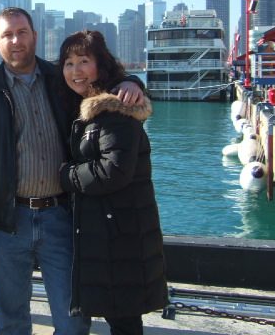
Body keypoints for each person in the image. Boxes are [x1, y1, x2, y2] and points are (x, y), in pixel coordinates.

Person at [0, 8, 145, 335]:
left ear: (35, 36)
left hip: (62, 216)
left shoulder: (63, 80)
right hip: (6, 222)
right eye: (8, 35)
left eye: (22, 32)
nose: (16, 40)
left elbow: (104, 86)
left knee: (73, 322)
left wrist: (131, 82)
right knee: (11, 321)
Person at [57, 30, 168, 335]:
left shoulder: (114, 109)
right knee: (119, 315)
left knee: (123, 320)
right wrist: (133, 81)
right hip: (109, 230)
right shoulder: (86, 105)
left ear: (101, 65)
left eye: (84, 61)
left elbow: (113, 171)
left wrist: (66, 175)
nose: (76, 70)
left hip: (120, 234)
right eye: (68, 63)